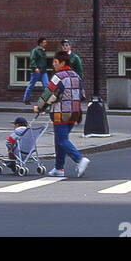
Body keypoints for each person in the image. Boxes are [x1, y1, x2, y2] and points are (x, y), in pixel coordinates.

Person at [37, 51, 90, 179]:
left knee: (61, 140)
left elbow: (48, 94)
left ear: (62, 63)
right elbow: (82, 95)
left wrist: (38, 106)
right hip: (75, 113)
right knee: (61, 140)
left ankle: (79, 159)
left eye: (55, 62)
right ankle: (58, 168)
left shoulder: (58, 77)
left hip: (60, 112)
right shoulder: (76, 76)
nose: (53, 64)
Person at [23, 37, 52, 104]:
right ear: (40, 43)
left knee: (46, 85)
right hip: (36, 71)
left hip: (43, 71)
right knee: (31, 85)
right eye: (44, 42)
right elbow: (32, 59)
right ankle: (26, 99)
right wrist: (35, 67)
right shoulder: (35, 50)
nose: (46, 44)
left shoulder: (44, 51)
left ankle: (47, 100)